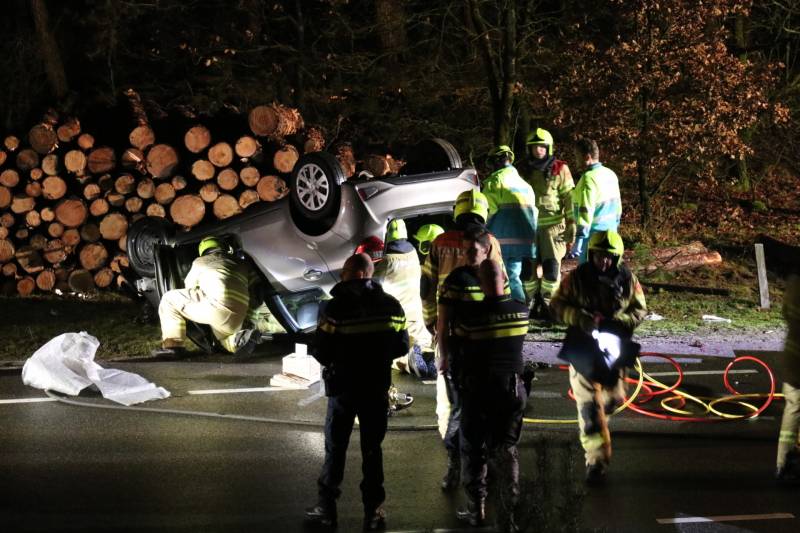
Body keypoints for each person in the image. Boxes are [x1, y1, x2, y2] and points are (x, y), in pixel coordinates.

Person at [305, 253, 409, 530]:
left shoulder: (334, 308)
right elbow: (402, 347)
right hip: (376, 386)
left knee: (335, 448)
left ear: (355, 273)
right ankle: (373, 510)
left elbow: (321, 350)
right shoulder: (391, 306)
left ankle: (327, 508)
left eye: (344, 272)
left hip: (343, 387)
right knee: (372, 450)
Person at [420, 190, 505, 490]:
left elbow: (426, 287)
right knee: (483, 403)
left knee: (450, 405)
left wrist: (431, 322)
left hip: (447, 333)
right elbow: (500, 286)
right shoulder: (488, 242)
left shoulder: (440, 242)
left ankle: (453, 462)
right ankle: (482, 465)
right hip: (480, 336)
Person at [550, 230, 646, 485]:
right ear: (591, 254)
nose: (602, 261)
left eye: (608, 257)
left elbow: (639, 309)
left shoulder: (627, 279)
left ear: (616, 258)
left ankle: (598, 427)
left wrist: (619, 322)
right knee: (591, 408)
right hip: (583, 346)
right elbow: (557, 305)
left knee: (612, 400)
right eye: (598, 256)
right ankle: (596, 462)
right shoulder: (577, 279)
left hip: (614, 347)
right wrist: (581, 319)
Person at [450, 258, 529, 532]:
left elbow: (458, 343)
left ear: (482, 282)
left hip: (479, 391)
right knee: (506, 450)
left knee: (474, 449)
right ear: (505, 279)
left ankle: (477, 508)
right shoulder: (522, 311)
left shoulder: (472, 317)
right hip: (512, 390)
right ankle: (507, 515)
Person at [153, 237, 261, 357]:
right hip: (238, 315)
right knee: (224, 340)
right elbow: (256, 291)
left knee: (169, 299)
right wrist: (249, 319)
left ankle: (173, 346)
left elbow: (190, 287)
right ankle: (238, 339)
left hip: (216, 309)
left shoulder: (200, 262)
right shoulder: (242, 263)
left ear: (203, 250)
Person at [519, 128, 575, 316]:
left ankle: (550, 307)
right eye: (535, 147)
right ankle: (530, 305)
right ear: (529, 149)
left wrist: (572, 222)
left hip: (553, 229)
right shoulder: (522, 169)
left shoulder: (560, 169)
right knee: (527, 272)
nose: (539, 150)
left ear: (548, 148)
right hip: (528, 228)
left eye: (542, 147)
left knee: (552, 270)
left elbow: (569, 197)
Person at [374, 219, 436, 379]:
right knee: (423, 342)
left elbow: (373, 287)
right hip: (418, 318)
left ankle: (409, 359)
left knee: (392, 353)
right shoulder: (413, 255)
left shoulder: (387, 262)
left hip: (398, 320)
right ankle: (431, 357)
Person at [481, 145, 538, 303]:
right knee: (513, 275)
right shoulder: (526, 186)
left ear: (496, 161)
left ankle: (517, 309)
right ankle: (520, 307)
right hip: (524, 243)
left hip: (502, 242)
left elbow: (486, 212)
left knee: (506, 278)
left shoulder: (495, 182)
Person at [568, 138, 622, 264]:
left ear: (587, 157)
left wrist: (579, 240)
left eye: (577, 157)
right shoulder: (610, 174)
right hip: (611, 235)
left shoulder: (588, 179)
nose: (576, 161)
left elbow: (585, 211)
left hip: (592, 238)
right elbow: (618, 207)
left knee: (589, 276)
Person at [776, 272, 800, 481]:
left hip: (791, 360)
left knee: (793, 410)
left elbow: (785, 313)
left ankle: (783, 464)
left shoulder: (794, 284)